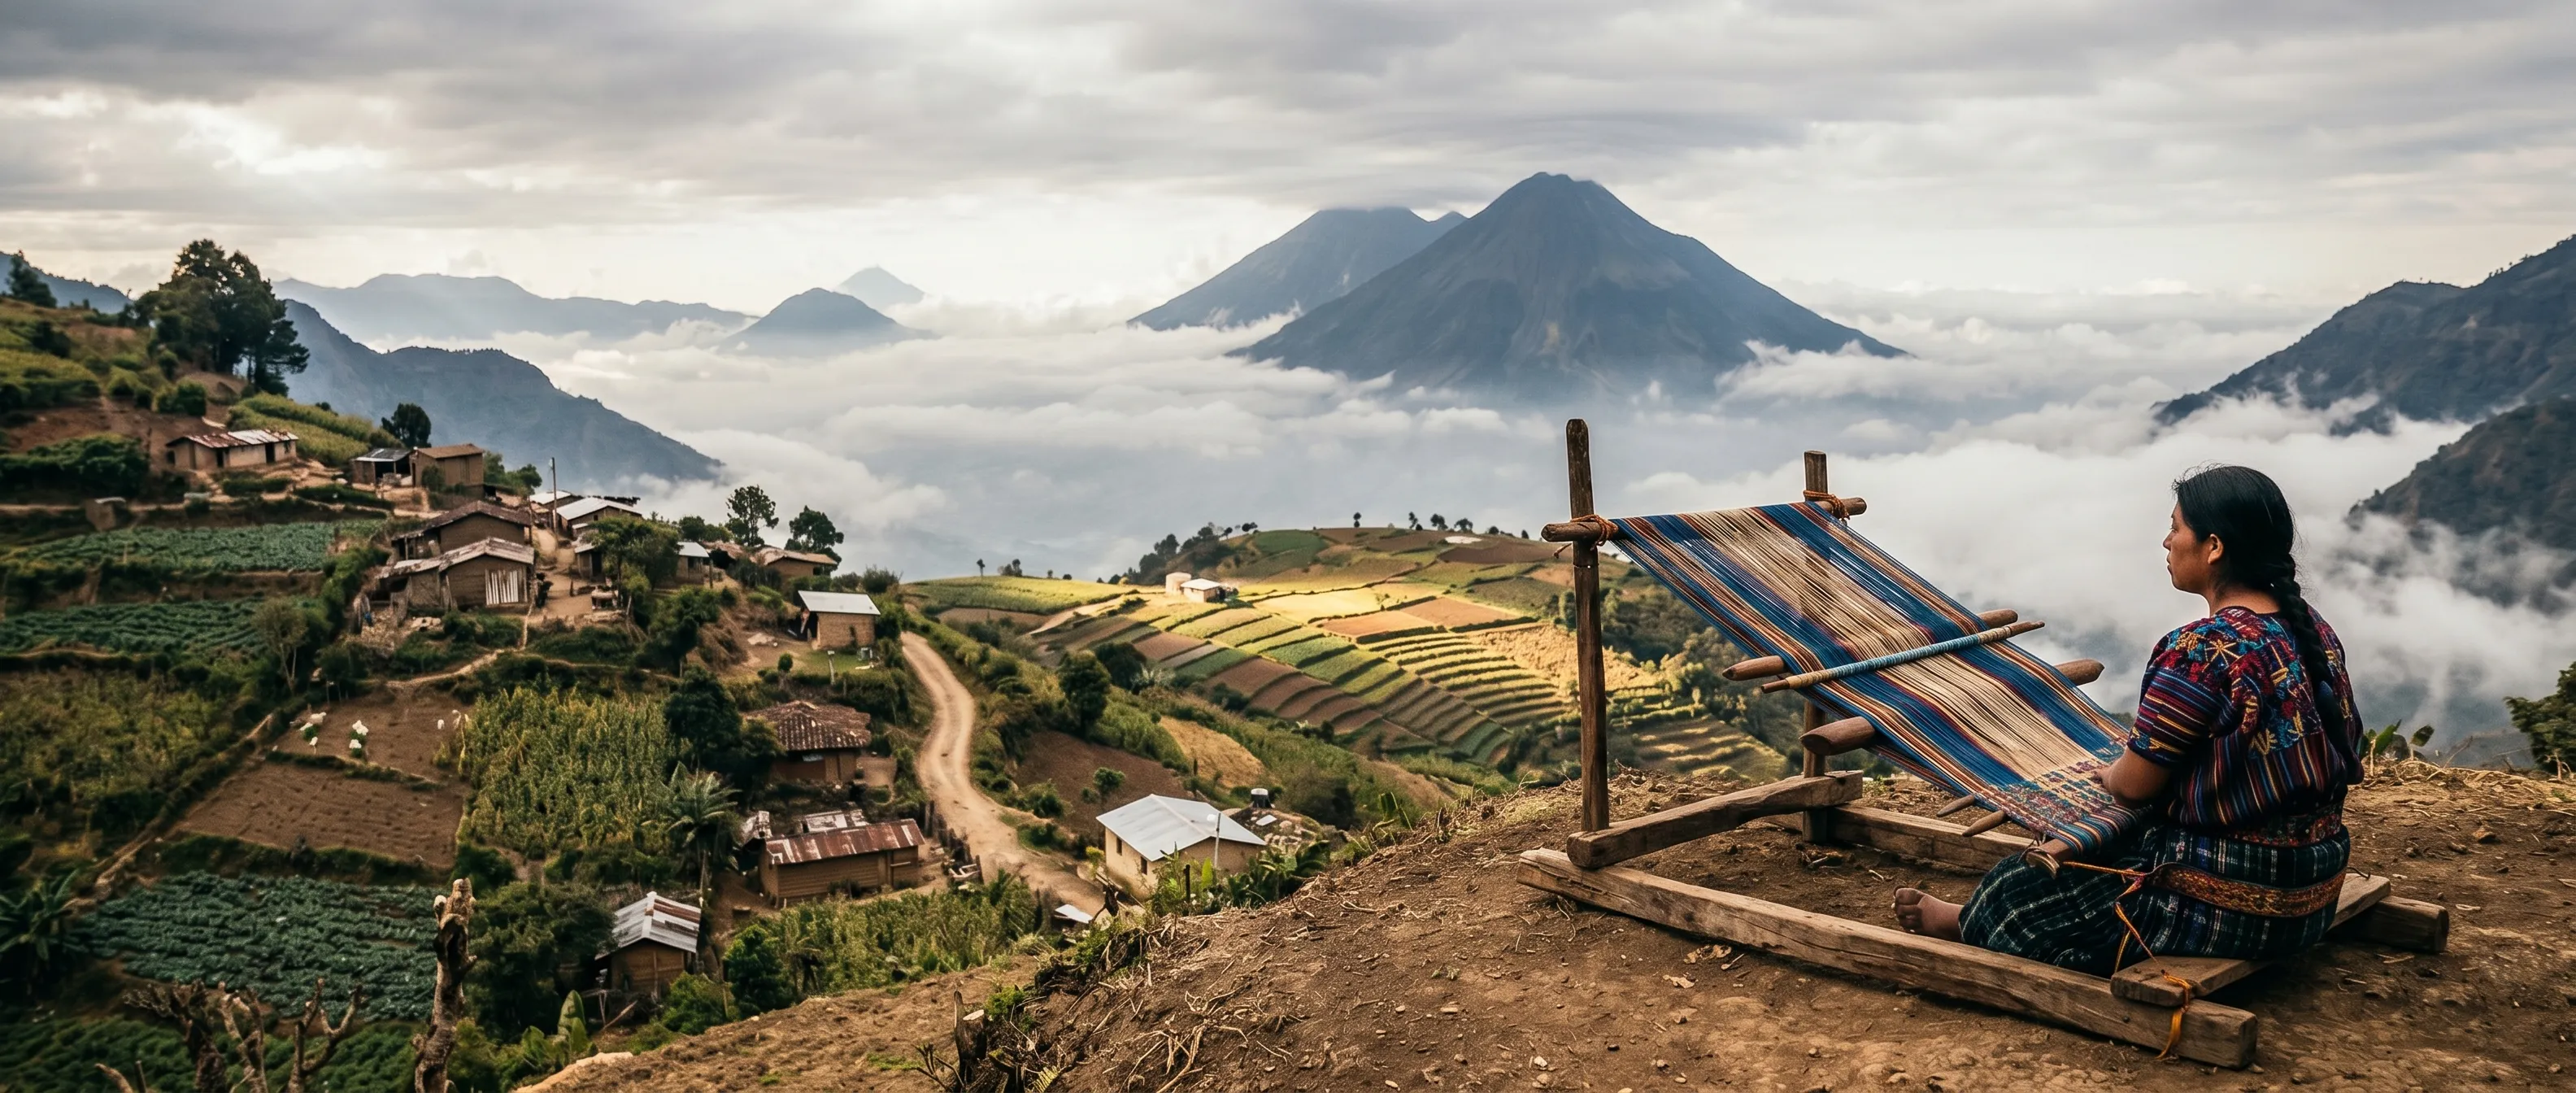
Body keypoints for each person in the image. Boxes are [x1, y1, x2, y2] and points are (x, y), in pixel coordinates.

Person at [1891, 464, 2363, 973]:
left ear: (2214, 547)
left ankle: (1970, 923)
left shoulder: (2199, 650)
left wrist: (2110, 772)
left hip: (2230, 906)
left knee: (2019, 889)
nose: (2166, 541)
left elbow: (2134, 787)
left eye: (2177, 528)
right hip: (2313, 888)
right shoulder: (2311, 630)